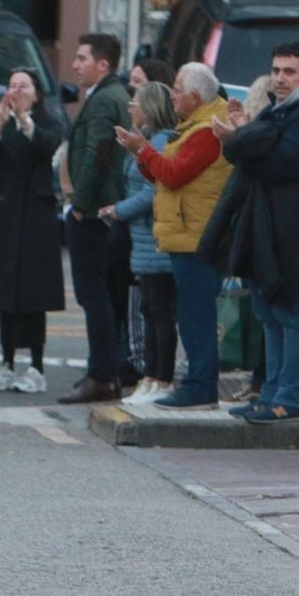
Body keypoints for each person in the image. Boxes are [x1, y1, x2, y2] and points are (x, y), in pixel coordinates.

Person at [200, 41, 299, 423]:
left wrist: (244, 141)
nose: (280, 78)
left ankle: (290, 398)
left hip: (296, 230)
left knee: (293, 311)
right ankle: (271, 393)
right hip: (264, 227)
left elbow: (283, 162)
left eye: (289, 71)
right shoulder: (279, 109)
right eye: (276, 70)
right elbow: (241, 155)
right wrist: (243, 136)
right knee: (269, 312)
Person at [117, 62, 233, 410]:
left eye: (178, 90)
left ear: (195, 98)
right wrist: (143, 156)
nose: (172, 96)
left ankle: (200, 387)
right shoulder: (192, 127)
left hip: (197, 235)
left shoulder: (206, 131)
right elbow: (164, 174)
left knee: (196, 317)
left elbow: (174, 174)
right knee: (188, 313)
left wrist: (143, 151)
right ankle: (197, 384)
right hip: (186, 233)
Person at [0, 67, 63, 394]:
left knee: (33, 294)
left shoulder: (47, 122)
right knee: (3, 292)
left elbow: (49, 147)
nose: (17, 91)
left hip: (35, 216)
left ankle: (36, 365)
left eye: (24, 85)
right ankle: (6, 361)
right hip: (2, 213)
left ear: (36, 92)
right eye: (12, 85)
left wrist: (25, 120)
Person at [57, 32, 133, 403]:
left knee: (95, 296)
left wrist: (81, 205)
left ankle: (102, 374)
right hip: (109, 211)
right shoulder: (114, 95)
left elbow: (97, 154)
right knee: (108, 294)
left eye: (83, 59)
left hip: (96, 212)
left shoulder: (104, 100)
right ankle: (109, 370)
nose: (75, 64)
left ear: (103, 64)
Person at [116, 81, 180, 403]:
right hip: (143, 240)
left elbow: (150, 191)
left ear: (151, 107)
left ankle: (161, 378)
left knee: (159, 311)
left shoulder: (160, 141)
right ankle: (151, 377)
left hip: (155, 239)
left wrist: (117, 211)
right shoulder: (146, 140)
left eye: (136, 103)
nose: (131, 107)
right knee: (150, 309)